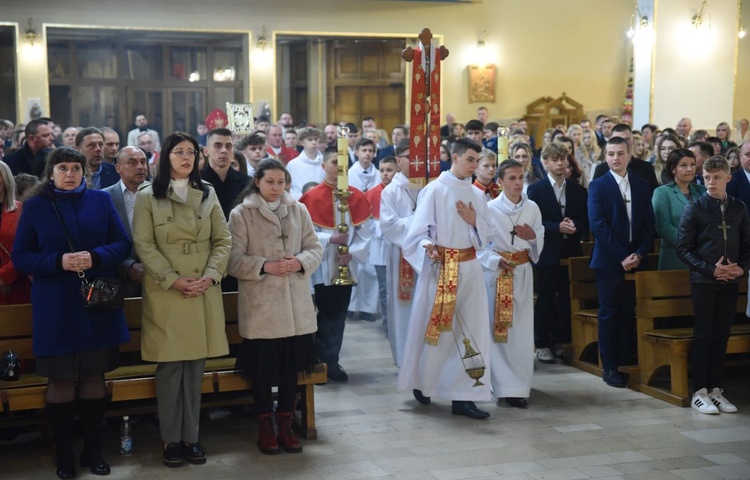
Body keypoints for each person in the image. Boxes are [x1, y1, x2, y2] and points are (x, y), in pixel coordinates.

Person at [12, 147, 131, 479]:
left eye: (75, 168)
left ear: (84, 172)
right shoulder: (35, 206)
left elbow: (122, 244)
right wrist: (57, 262)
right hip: (57, 306)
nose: (69, 173)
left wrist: (94, 256)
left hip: (97, 304)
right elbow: (21, 256)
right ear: (51, 172)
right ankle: (64, 453)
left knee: (95, 377)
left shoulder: (100, 202)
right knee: (61, 380)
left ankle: (93, 450)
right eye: (62, 167)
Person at [132, 132, 231, 468]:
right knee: (171, 368)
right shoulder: (149, 196)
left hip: (203, 286)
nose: (186, 158)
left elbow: (223, 240)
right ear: (165, 157)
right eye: (179, 152)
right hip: (167, 290)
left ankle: (192, 437)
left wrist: (211, 275)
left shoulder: (207, 193)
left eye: (191, 152)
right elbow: (144, 245)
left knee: (196, 368)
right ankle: (170, 439)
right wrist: (174, 280)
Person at [227, 159, 322, 454]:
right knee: (264, 372)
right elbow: (232, 260)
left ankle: (285, 424)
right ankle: (265, 427)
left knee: (291, 370)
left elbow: (315, 248)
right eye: (270, 182)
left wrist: (299, 262)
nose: (276, 188)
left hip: (295, 305)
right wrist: (265, 265)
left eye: (281, 182)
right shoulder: (242, 213)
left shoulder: (298, 209)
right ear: (257, 181)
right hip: (262, 307)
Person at [397, 138, 493, 420]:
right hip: (442, 270)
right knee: (437, 333)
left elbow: (487, 236)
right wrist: (427, 245)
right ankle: (424, 383)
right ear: (455, 157)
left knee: (470, 332)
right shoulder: (435, 190)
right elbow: (416, 233)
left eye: (478, 161)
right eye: (470, 160)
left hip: (470, 268)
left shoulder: (477, 195)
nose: (475, 166)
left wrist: (475, 220)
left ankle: (464, 396)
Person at [677, 156, 750, 415]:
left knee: (722, 335)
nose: (711, 182)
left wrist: (742, 267)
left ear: (728, 178)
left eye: (717, 177)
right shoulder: (695, 208)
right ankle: (699, 391)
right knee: (704, 335)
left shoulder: (739, 208)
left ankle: (716, 389)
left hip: (730, 281)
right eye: (707, 177)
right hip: (704, 281)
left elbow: (747, 245)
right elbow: (683, 248)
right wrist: (712, 269)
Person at [299, 146, 371, 382]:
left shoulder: (356, 195)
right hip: (320, 265)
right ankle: (314, 360)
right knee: (320, 313)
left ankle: (331, 361)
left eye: (341, 164)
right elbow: (303, 233)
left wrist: (353, 252)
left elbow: (365, 232)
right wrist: (328, 238)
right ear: (323, 166)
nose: (337, 168)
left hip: (345, 264)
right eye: (333, 163)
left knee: (338, 314)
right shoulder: (311, 197)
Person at [588, 136, 655, 388]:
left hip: (636, 259)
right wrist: (622, 256)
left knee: (629, 312)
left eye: (620, 153)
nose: (615, 158)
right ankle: (610, 366)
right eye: (610, 154)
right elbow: (599, 225)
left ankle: (626, 360)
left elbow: (649, 223)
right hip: (608, 261)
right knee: (609, 313)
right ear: (605, 157)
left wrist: (638, 253)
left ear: (629, 156)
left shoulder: (640, 184)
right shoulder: (598, 185)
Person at [478, 159, 544, 409]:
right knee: (500, 330)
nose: (518, 183)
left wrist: (534, 237)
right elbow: (480, 245)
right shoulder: (490, 209)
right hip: (498, 275)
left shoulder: (533, 208)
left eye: (521, 178)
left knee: (522, 331)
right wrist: (495, 260)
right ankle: (501, 384)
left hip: (523, 273)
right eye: (512, 179)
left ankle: (519, 386)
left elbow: (540, 238)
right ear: (500, 182)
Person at [527, 142, 588, 363]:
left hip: (570, 250)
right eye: (554, 159)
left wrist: (574, 226)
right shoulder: (537, 189)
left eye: (563, 159)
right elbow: (533, 223)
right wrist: (556, 226)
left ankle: (562, 341)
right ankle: (541, 342)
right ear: (545, 162)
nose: (560, 163)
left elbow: (585, 220)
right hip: (546, 252)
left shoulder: (577, 190)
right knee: (544, 298)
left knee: (566, 299)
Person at [103, 146, 149, 297]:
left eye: (143, 162)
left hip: (159, 277)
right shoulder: (104, 197)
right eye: (132, 163)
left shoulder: (161, 194)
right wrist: (127, 266)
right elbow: (102, 240)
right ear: (118, 168)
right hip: (119, 280)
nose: (140, 167)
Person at [651, 149, 706, 270]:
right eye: (683, 165)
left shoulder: (702, 191)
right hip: (675, 257)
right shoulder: (662, 192)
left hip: (702, 258)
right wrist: (692, 242)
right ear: (673, 169)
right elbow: (664, 227)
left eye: (692, 164)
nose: (690, 169)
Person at [364, 156, 399, 333]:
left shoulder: (402, 191)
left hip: (399, 245)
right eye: (382, 170)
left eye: (389, 170)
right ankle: (387, 323)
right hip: (379, 246)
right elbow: (364, 222)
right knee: (384, 288)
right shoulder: (370, 194)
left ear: (397, 170)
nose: (385, 174)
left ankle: (399, 322)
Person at [0, 161, 30, 305]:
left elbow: (29, 248)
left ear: (6, 179)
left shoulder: (22, 210)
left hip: (17, 286)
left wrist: (3, 277)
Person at [286, 127, 324, 199]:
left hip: (321, 200)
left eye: (315, 139)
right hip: (299, 202)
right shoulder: (292, 165)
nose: (314, 142)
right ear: (302, 142)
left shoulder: (325, 163)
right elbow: (289, 189)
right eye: (310, 139)